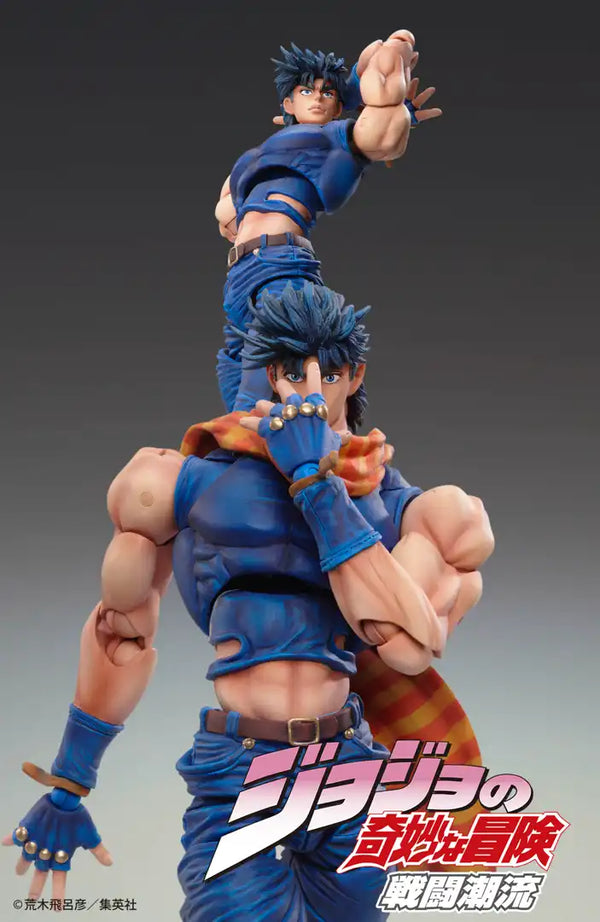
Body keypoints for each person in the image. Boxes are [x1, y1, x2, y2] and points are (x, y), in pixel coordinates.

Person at [3, 283, 494, 921]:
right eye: (292, 370)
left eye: (330, 373)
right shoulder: (187, 485)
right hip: (240, 771)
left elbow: (409, 645)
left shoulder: (404, 506)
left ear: (355, 376)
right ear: (266, 372)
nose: (311, 389)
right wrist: (69, 782)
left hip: (347, 770)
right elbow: (122, 633)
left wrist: (316, 482)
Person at [214, 31, 442, 413]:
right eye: (307, 91)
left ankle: (251, 431)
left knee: (264, 354)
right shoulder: (254, 157)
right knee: (234, 364)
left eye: (328, 92)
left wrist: (389, 89)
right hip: (240, 272)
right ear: (288, 102)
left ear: (339, 105)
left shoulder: (331, 137)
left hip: (281, 261)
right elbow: (226, 216)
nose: (318, 98)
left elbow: (376, 134)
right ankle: (258, 438)